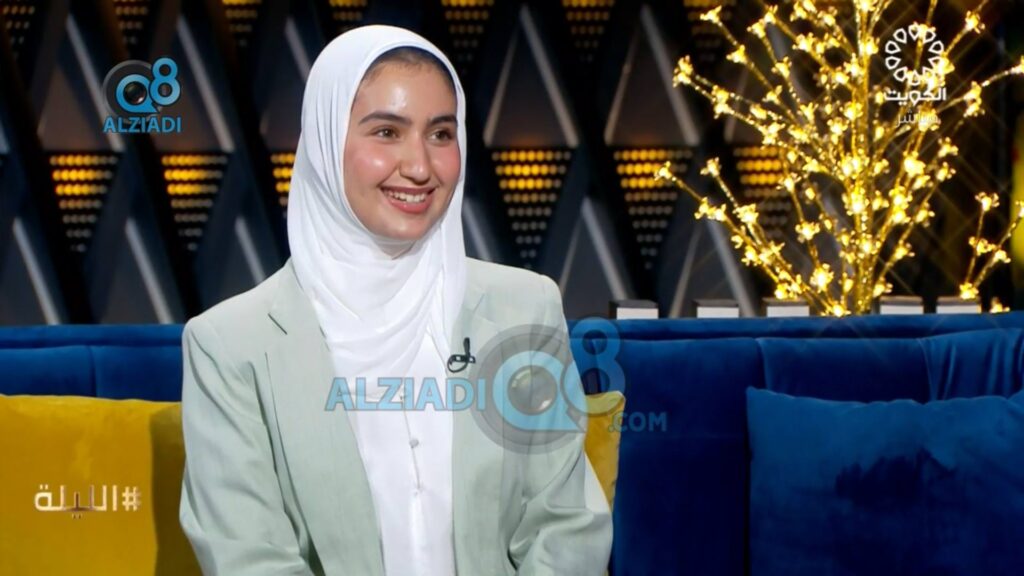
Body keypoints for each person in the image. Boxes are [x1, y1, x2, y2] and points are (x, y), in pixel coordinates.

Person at [178, 24, 612, 576]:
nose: (420, 167)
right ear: (325, 143)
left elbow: (567, 523)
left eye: (441, 133)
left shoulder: (524, 308)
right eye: (386, 132)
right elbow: (248, 558)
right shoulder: (230, 344)